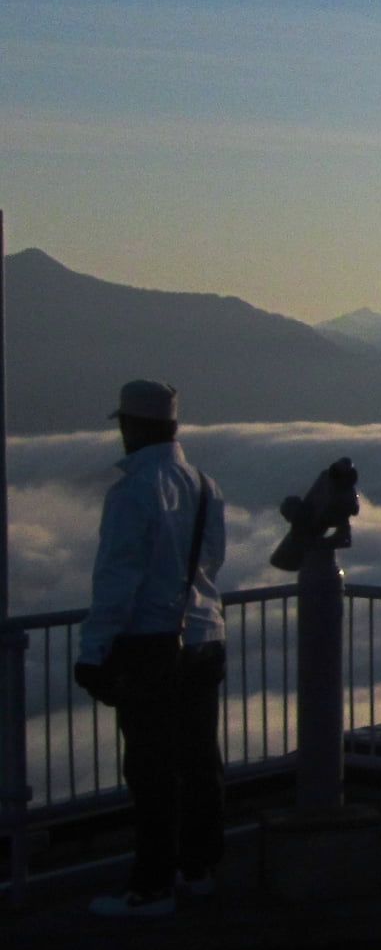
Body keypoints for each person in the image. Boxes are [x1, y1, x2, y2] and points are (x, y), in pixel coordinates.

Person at [71, 379, 228, 917]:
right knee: (199, 762)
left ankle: (152, 887)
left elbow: (118, 576)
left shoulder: (135, 490)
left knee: (152, 768)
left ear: (132, 426)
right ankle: (199, 869)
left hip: (152, 645)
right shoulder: (205, 485)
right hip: (205, 636)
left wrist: (93, 651)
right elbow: (211, 562)